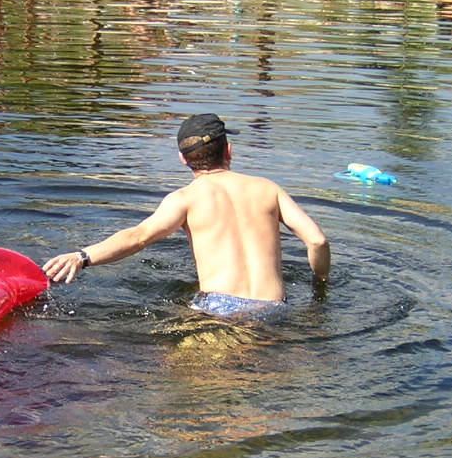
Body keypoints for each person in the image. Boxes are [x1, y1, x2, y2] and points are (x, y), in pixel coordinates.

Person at [42, 113, 330, 319]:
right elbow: (317, 241)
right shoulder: (268, 189)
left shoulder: (185, 199)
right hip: (275, 310)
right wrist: (320, 282)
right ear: (229, 150)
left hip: (219, 308)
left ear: (183, 159)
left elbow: (138, 237)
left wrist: (82, 257)